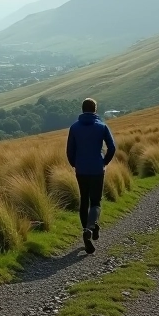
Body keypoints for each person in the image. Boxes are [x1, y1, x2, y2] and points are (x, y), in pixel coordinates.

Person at [66, 97, 116, 254]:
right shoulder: (102, 126)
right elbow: (112, 148)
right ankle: (90, 227)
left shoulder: (74, 128)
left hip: (81, 170)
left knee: (84, 200)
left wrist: (75, 164)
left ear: (82, 110)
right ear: (95, 109)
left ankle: (86, 232)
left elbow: (69, 151)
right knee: (96, 202)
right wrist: (104, 162)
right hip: (96, 169)